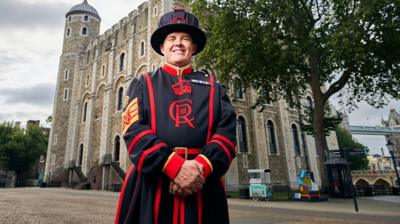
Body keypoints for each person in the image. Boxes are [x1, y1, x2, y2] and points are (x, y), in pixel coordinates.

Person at [115, 9, 237, 224]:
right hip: (152, 185)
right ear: (162, 48)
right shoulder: (142, 83)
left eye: (185, 39)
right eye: (171, 38)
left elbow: (226, 135)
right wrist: (174, 167)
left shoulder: (215, 89)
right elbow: (133, 131)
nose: (178, 43)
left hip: (204, 183)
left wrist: (199, 168)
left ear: (194, 47)